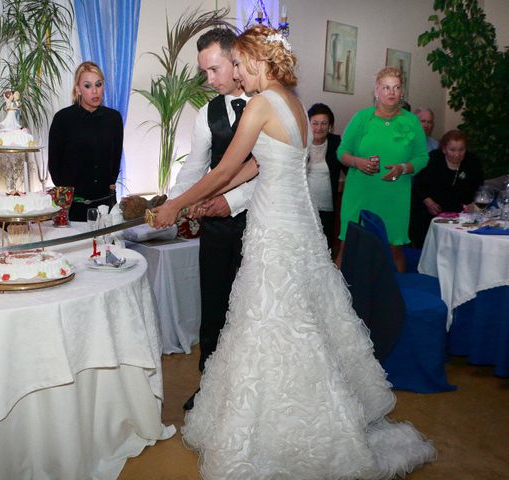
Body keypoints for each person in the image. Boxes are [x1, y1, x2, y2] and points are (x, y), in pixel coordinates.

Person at [153, 26, 435, 479]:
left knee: (270, 321)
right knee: (300, 320)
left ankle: (278, 426)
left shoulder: (263, 102)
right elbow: (253, 164)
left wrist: (175, 205)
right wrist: (209, 197)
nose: (238, 74)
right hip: (297, 226)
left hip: (275, 229)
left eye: (241, 64)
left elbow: (226, 166)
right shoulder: (293, 103)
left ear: (260, 61)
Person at [168, 28, 256, 411]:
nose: (210, 80)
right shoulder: (207, 113)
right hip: (217, 231)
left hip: (259, 223)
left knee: (251, 309)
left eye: (215, 69)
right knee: (214, 307)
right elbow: (195, 167)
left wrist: (230, 200)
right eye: (204, 72)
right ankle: (211, 387)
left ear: (236, 60)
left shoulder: (267, 103)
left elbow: (271, 170)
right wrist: (171, 204)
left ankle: (247, 394)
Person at [336, 67, 428, 272]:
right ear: (376, 91)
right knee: (347, 247)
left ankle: (397, 301)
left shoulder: (412, 121)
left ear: (401, 92)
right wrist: (357, 162)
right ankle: (335, 299)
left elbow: (423, 157)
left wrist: (404, 168)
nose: (391, 92)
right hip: (360, 194)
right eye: (386, 87)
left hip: (394, 197)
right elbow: (341, 151)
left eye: (396, 88)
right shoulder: (362, 118)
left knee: (395, 251)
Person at [48, 61, 123, 221]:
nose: (95, 91)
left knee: (107, 246)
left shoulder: (114, 118)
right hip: (71, 207)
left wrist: (110, 183)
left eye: (99, 84)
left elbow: (115, 157)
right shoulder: (62, 119)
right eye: (87, 86)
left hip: (105, 205)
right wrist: (66, 197)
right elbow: (54, 164)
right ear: (78, 90)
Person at [409, 129, 484, 247]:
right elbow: (418, 185)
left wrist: (473, 204)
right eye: (452, 150)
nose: (457, 154)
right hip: (429, 212)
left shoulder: (472, 162)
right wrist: (428, 202)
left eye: (461, 150)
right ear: (444, 149)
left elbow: (479, 188)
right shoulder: (433, 159)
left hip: (461, 215)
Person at [306, 103, 346, 251]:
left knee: (324, 248)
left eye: (324, 123)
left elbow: (348, 168)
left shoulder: (336, 143)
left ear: (330, 125)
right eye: (315, 123)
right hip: (304, 206)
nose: (319, 128)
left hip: (327, 206)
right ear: (308, 124)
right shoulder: (301, 142)